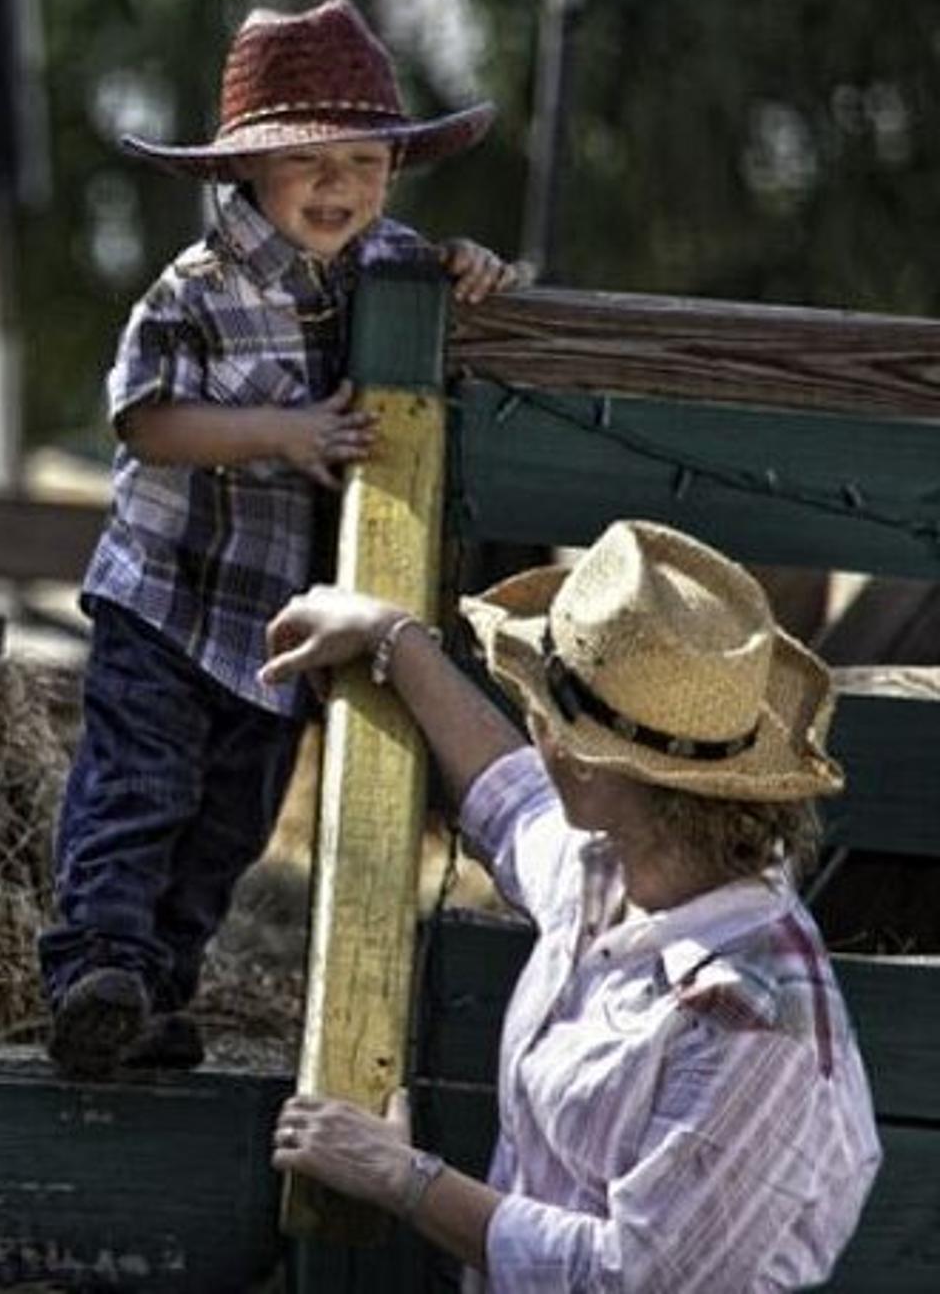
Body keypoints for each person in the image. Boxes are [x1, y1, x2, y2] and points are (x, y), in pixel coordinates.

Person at [39, 0, 522, 1076]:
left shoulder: (390, 268)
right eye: (308, 161)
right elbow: (149, 424)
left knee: (227, 832)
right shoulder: (193, 291)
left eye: (364, 160)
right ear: (243, 172)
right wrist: (281, 432)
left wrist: (475, 270)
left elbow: (463, 296)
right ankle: (93, 969)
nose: (338, 186)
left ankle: (151, 995)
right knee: (138, 790)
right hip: (167, 600)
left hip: (276, 630)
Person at [261, 520, 881, 1289]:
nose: (532, 721)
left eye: (541, 706)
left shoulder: (750, 1023)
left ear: (590, 767)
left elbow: (632, 1277)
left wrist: (405, 1179)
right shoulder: (625, 868)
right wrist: (394, 640)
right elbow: (513, 801)